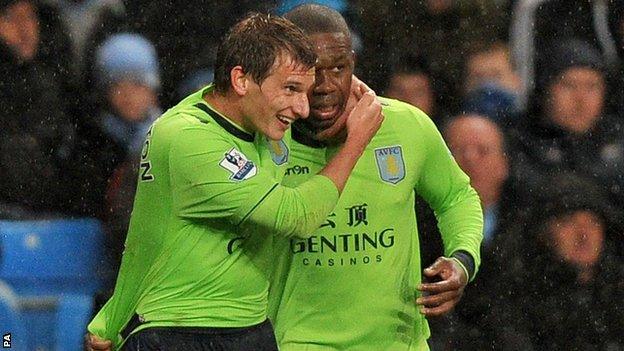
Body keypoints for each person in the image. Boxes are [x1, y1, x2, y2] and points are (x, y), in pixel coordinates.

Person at [86, 12, 383, 351]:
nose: (302, 108)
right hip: (179, 332)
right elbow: (295, 216)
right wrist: (356, 141)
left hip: (250, 329)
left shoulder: (259, 123)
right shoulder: (187, 137)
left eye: (307, 91)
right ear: (241, 80)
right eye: (290, 89)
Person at [268, 5, 482, 350]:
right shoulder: (262, 138)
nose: (324, 85)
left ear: (353, 63)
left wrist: (463, 259)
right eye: (310, 70)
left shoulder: (405, 126)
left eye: (338, 68)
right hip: (297, 343)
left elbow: (457, 196)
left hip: (399, 343)